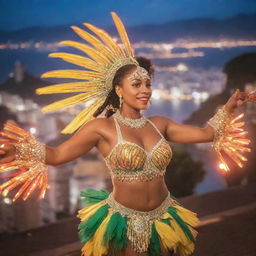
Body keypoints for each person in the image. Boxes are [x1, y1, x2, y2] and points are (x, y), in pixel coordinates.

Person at [0, 12, 252, 256]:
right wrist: (18, 150)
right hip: (126, 222)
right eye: (136, 84)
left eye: (148, 84)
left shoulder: (159, 124)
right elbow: (56, 154)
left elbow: (207, 134)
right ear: (119, 90)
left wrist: (228, 108)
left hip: (165, 215)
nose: (145, 90)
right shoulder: (101, 128)